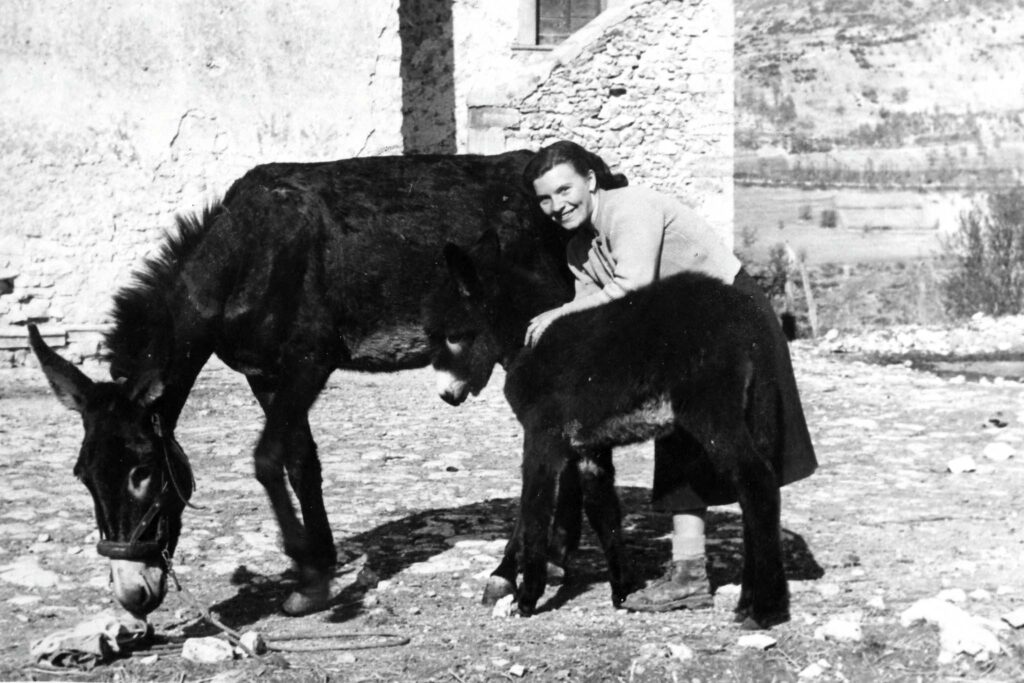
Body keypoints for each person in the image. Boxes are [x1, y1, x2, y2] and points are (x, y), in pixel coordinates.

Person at [522, 140, 817, 613]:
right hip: (680, 340)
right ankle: (689, 572)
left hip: (733, 320)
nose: (557, 206)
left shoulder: (630, 209)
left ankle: (762, 577)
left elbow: (629, 286)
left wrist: (557, 316)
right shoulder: (579, 248)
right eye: (545, 199)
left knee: (747, 446)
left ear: (591, 181)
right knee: (680, 441)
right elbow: (591, 311)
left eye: (565, 190)